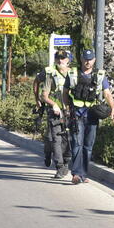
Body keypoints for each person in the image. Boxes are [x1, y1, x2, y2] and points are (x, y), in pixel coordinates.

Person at [67, 49, 114, 184]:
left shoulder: (100, 76)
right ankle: (76, 174)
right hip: (76, 114)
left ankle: (83, 174)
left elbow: (107, 93)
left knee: (88, 146)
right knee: (77, 144)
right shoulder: (73, 74)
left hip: (92, 115)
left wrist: (113, 109)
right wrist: (66, 108)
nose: (88, 62)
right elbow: (65, 92)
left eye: (90, 59)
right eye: (85, 59)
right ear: (81, 59)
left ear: (94, 60)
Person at [40, 50, 75, 179]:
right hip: (55, 112)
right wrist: (53, 104)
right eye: (58, 58)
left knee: (67, 138)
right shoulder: (51, 74)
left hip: (70, 112)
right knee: (55, 139)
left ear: (68, 60)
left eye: (63, 58)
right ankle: (60, 166)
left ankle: (65, 162)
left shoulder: (74, 74)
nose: (61, 60)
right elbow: (44, 95)